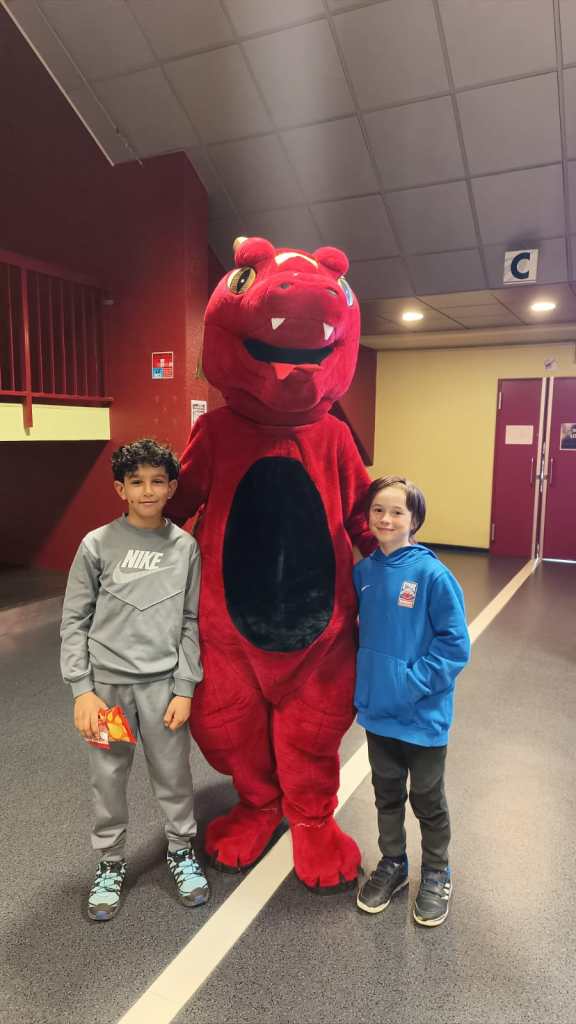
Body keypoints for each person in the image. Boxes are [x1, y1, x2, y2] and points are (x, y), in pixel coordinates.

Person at [60, 438, 209, 921]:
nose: (148, 491)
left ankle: (181, 851)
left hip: (163, 690)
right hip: (107, 693)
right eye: (137, 482)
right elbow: (74, 621)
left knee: (173, 775)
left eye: (157, 481)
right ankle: (110, 861)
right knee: (108, 776)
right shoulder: (96, 545)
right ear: (120, 489)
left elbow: (190, 621)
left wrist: (185, 687)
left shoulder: (185, 548)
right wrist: (83, 690)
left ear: (171, 488)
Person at [354, 476, 470, 927]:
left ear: (414, 520)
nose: (386, 519)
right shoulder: (364, 572)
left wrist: (410, 682)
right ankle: (394, 863)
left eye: (397, 511)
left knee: (427, 797)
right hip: (378, 712)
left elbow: (455, 644)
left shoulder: (431, 575)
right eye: (378, 510)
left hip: (422, 714)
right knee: (386, 792)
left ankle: (437, 871)